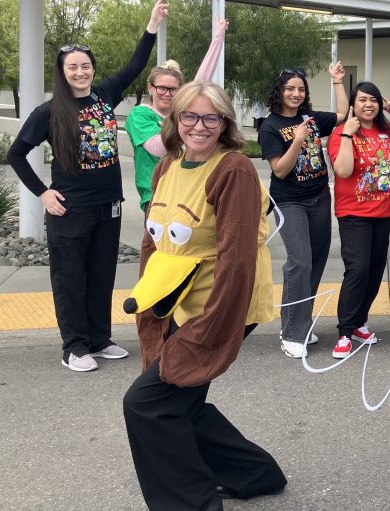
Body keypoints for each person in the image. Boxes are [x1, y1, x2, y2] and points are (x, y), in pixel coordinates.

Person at [122, 81, 283, 511]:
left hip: (223, 303)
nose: (199, 126)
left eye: (211, 117)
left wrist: (213, 329)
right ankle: (255, 474)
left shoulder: (233, 169)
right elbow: (153, 244)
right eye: (189, 116)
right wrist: (150, 308)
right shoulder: (168, 166)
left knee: (147, 405)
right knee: (182, 402)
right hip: (179, 299)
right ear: (175, 119)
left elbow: (237, 257)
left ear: (225, 122)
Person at [6, 0, 168, 372]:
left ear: (93, 69)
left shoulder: (104, 95)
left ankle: (99, 339)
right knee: (70, 279)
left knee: (100, 276)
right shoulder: (48, 112)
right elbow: (16, 154)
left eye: (86, 66)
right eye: (73, 67)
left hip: (108, 205)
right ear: (62, 72)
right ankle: (74, 347)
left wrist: (151, 26)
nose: (81, 72)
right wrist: (43, 193)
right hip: (70, 210)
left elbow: (134, 66)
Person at [258, 63, 348, 359]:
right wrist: (297, 141)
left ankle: (302, 323)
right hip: (289, 202)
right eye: (290, 89)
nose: (296, 94)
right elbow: (280, 170)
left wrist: (337, 81)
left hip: (319, 197)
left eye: (301, 89)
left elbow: (343, 115)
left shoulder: (310, 118)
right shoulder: (270, 127)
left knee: (316, 260)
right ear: (279, 92)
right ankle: (292, 332)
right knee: (299, 262)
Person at [327, 81, 390, 359]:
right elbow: (342, 171)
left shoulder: (388, 132)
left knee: (375, 271)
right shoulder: (342, 132)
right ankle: (344, 332)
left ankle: (358, 323)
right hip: (353, 213)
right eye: (363, 99)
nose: (369, 104)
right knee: (358, 270)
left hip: (383, 212)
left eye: (373, 100)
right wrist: (346, 136)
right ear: (354, 104)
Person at [125, 19, 228, 211]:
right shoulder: (140, 114)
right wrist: (182, 117)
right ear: (150, 87)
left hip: (186, 190)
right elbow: (157, 148)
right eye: (162, 88)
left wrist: (218, 38)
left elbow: (202, 77)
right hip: (155, 194)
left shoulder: (182, 113)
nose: (167, 94)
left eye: (174, 90)